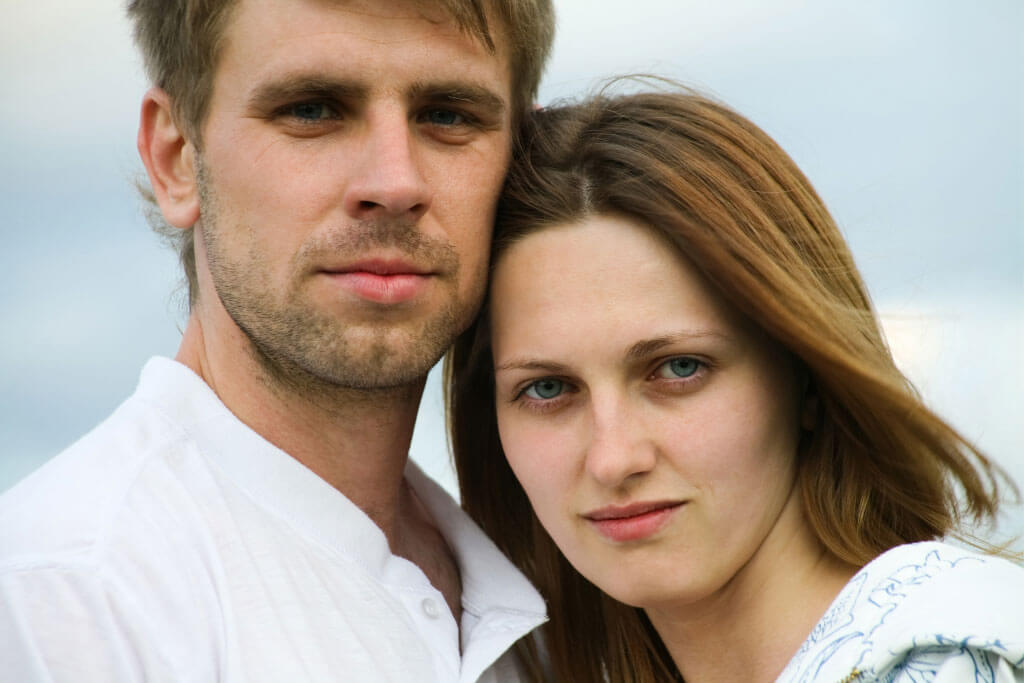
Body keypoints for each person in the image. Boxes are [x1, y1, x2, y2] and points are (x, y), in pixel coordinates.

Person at [0, 0, 554, 681]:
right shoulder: (67, 597)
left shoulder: (558, 596)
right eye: (312, 110)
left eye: (447, 115)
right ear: (175, 157)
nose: (394, 183)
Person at [447, 85, 1024, 682]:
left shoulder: (946, 663)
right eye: (547, 389)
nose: (613, 459)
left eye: (678, 369)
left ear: (804, 378)